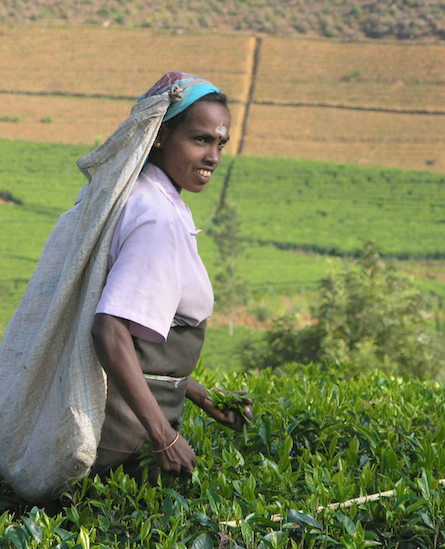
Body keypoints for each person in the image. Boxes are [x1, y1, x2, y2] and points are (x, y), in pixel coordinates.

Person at [90, 72, 254, 480]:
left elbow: (145, 344)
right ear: (160, 136)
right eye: (200, 139)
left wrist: (200, 394)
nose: (213, 157)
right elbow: (110, 329)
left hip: (135, 425)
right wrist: (163, 437)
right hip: (126, 437)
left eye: (221, 143)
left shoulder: (154, 197)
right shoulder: (157, 216)